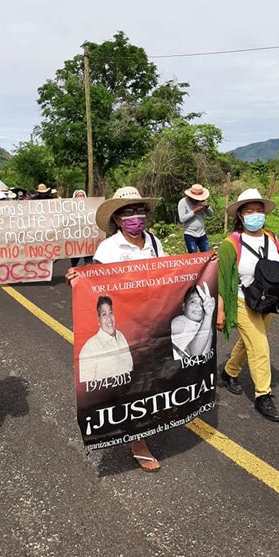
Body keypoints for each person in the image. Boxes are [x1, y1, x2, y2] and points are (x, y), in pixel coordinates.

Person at [67, 186, 164, 472]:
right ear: (117, 218)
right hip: (123, 329)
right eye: (128, 212)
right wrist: (77, 278)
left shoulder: (155, 244)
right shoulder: (107, 249)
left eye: (139, 210)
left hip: (151, 324)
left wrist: (202, 265)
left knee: (149, 382)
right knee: (130, 385)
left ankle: (140, 431)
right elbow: (96, 289)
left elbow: (172, 274)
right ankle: (138, 441)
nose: (135, 217)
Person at [217, 188, 279, 422]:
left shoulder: (272, 238)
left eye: (259, 210)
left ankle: (228, 371)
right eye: (250, 211)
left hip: (270, 301)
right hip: (243, 302)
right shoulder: (230, 244)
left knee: (249, 342)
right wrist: (221, 310)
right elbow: (222, 280)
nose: (256, 214)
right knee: (260, 346)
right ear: (240, 216)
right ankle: (263, 395)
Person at [79, 296, 133, 383]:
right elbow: (86, 387)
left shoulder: (120, 336)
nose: (109, 318)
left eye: (110, 313)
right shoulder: (90, 348)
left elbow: (130, 367)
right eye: (104, 314)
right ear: (98, 320)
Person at [171, 283, 215, 361]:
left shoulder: (205, 322)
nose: (198, 307)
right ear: (184, 306)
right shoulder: (178, 323)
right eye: (193, 302)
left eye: (202, 302)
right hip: (184, 372)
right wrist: (208, 316)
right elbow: (194, 354)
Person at [178, 184, 213, 253]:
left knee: (207, 255)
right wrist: (195, 211)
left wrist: (207, 207)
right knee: (193, 257)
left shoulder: (202, 202)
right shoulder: (183, 202)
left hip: (202, 233)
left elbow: (211, 214)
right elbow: (182, 219)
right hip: (190, 234)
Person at [70, 189, 93, 268]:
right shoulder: (69, 209)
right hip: (75, 239)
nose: (82, 197)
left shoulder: (89, 208)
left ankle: (88, 278)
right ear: (75, 197)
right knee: (74, 261)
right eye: (79, 196)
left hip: (87, 239)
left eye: (83, 195)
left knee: (89, 262)